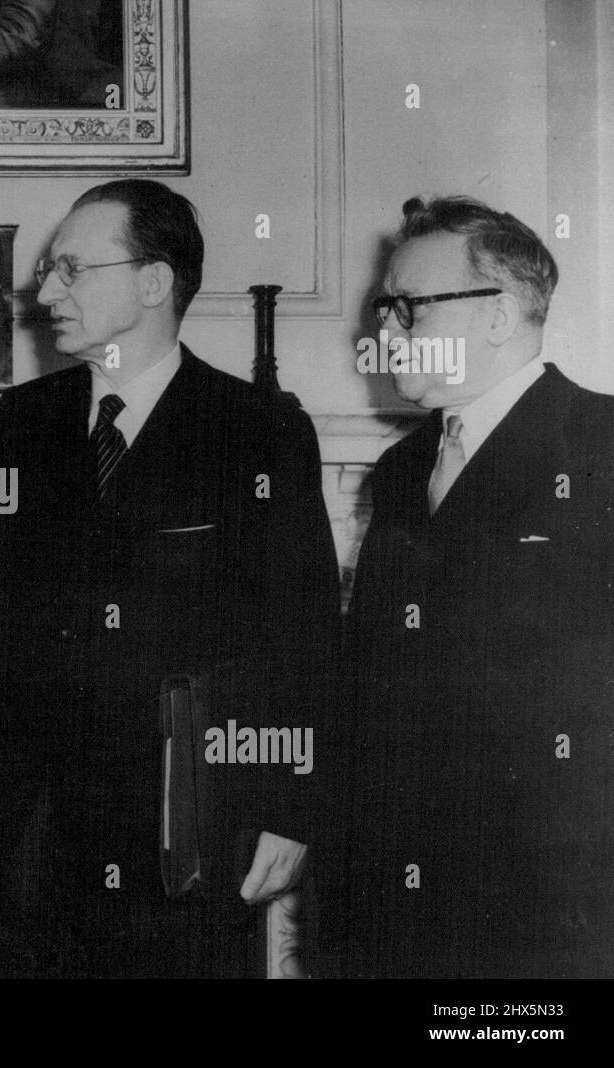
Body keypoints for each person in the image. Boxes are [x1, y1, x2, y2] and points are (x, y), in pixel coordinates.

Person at [0, 179, 340, 978]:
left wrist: (294, 809)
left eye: (71, 270)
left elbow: (306, 636)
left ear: (153, 282)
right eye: (48, 270)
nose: (45, 290)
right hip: (29, 839)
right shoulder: (23, 419)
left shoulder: (259, 429)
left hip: (183, 834)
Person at [339, 196, 614, 978]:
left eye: (407, 309)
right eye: (382, 309)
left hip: (551, 911)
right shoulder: (400, 473)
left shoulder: (601, 445)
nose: (383, 333)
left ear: (498, 314)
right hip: (400, 909)